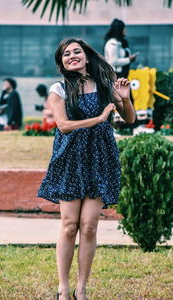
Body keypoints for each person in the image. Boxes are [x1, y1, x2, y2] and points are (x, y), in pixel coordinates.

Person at [37, 37, 135, 300]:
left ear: (87, 56)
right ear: (62, 62)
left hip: (99, 159)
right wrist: (100, 119)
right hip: (70, 159)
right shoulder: (59, 88)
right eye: (66, 54)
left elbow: (129, 118)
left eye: (77, 51)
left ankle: (81, 289)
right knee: (69, 225)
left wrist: (125, 100)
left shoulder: (104, 85)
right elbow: (64, 125)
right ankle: (63, 288)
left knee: (89, 226)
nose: (72, 56)